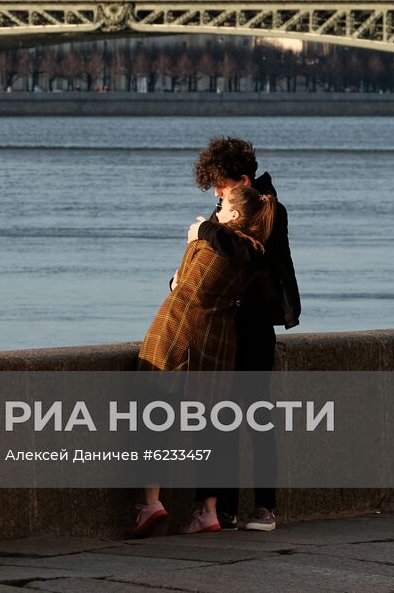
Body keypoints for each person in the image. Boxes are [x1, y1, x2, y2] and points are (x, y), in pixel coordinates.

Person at [132, 183, 277, 538]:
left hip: (177, 333)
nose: (217, 207)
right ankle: (208, 512)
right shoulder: (254, 253)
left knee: (153, 415)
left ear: (236, 214)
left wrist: (194, 238)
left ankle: (151, 502)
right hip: (220, 341)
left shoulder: (210, 243)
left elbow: (184, 287)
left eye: (223, 203)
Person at [185, 136, 300, 534]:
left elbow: (250, 253)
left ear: (244, 180)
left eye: (221, 184)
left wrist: (205, 232)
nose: (216, 192)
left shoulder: (271, 210)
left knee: (256, 417)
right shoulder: (223, 211)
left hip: (254, 325)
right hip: (224, 325)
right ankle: (227, 508)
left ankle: (265, 507)